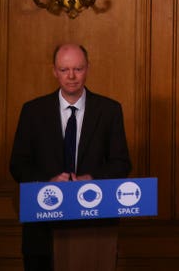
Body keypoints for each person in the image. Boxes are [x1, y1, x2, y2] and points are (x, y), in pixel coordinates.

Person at [10, 43, 132, 271]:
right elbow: (18, 164)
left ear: (88, 69)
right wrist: (49, 181)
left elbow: (122, 163)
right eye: (65, 70)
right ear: (54, 71)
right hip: (42, 227)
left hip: (93, 227)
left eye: (78, 69)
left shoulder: (109, 110)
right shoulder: (32, 111)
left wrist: (92, 178)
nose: (72, 76)